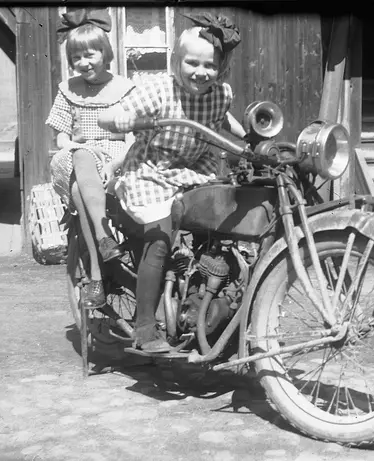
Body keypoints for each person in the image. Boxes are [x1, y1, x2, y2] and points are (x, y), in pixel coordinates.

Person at [98, 13, 247, 353]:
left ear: (220, 69)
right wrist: (120, 118)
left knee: (221, 226)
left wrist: (250, 139)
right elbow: (108, 115)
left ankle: (207, 299)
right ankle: (145, 328)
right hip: (151, 171)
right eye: (191, 63)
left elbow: (222, 119)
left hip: (194, 169)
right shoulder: (159, 90)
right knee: (161, 238)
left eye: (209, 65)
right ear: (176, 62)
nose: (200, 72)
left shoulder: (219, 92)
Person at [47, 7, 135, 310]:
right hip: (77, 156)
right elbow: (59, 136)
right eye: (76, 58)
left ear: (105, 53)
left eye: (90, 55)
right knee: (82, 153)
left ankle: (97, 277)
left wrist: (115, 164)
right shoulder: (68, 90)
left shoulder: (123, 88)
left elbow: (132, 138)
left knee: (77, 192)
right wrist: (73, 142)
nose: (83, 63)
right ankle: (103, 235)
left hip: (117, 156)